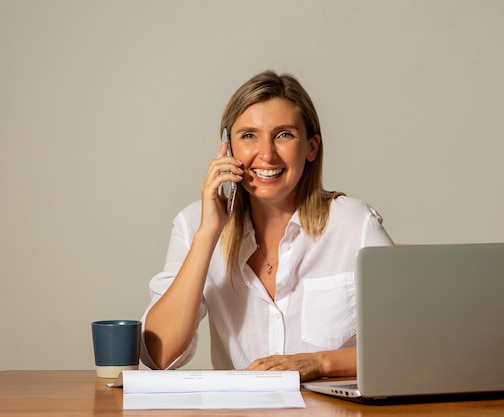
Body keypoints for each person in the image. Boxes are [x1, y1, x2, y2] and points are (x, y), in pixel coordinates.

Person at [140, 70, 393, 381]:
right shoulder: (193, 224)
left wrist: (319, 363)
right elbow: (159, 356)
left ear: (312, 147)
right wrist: (208, 233)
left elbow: (408, 344)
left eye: (284, 134)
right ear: (227, 147)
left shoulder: (356, 224)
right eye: (249, 136)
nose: (267, 154)